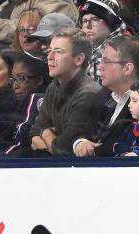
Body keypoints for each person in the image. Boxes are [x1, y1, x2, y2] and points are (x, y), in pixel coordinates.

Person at [29, 28, 101, 156]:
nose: (49, 57)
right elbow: (35, 130)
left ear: (78, 59)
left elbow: (63, 149)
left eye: (58, 52)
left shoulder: (89, 94)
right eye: (49, 51)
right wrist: (46, 135)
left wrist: (45, 133)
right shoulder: (53, 86)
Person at [74, 35, 139, 157]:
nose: (100, 66)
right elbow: (80, 130)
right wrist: (80, 143)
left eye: (106, 61)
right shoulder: (101, 95)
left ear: (127, 68)